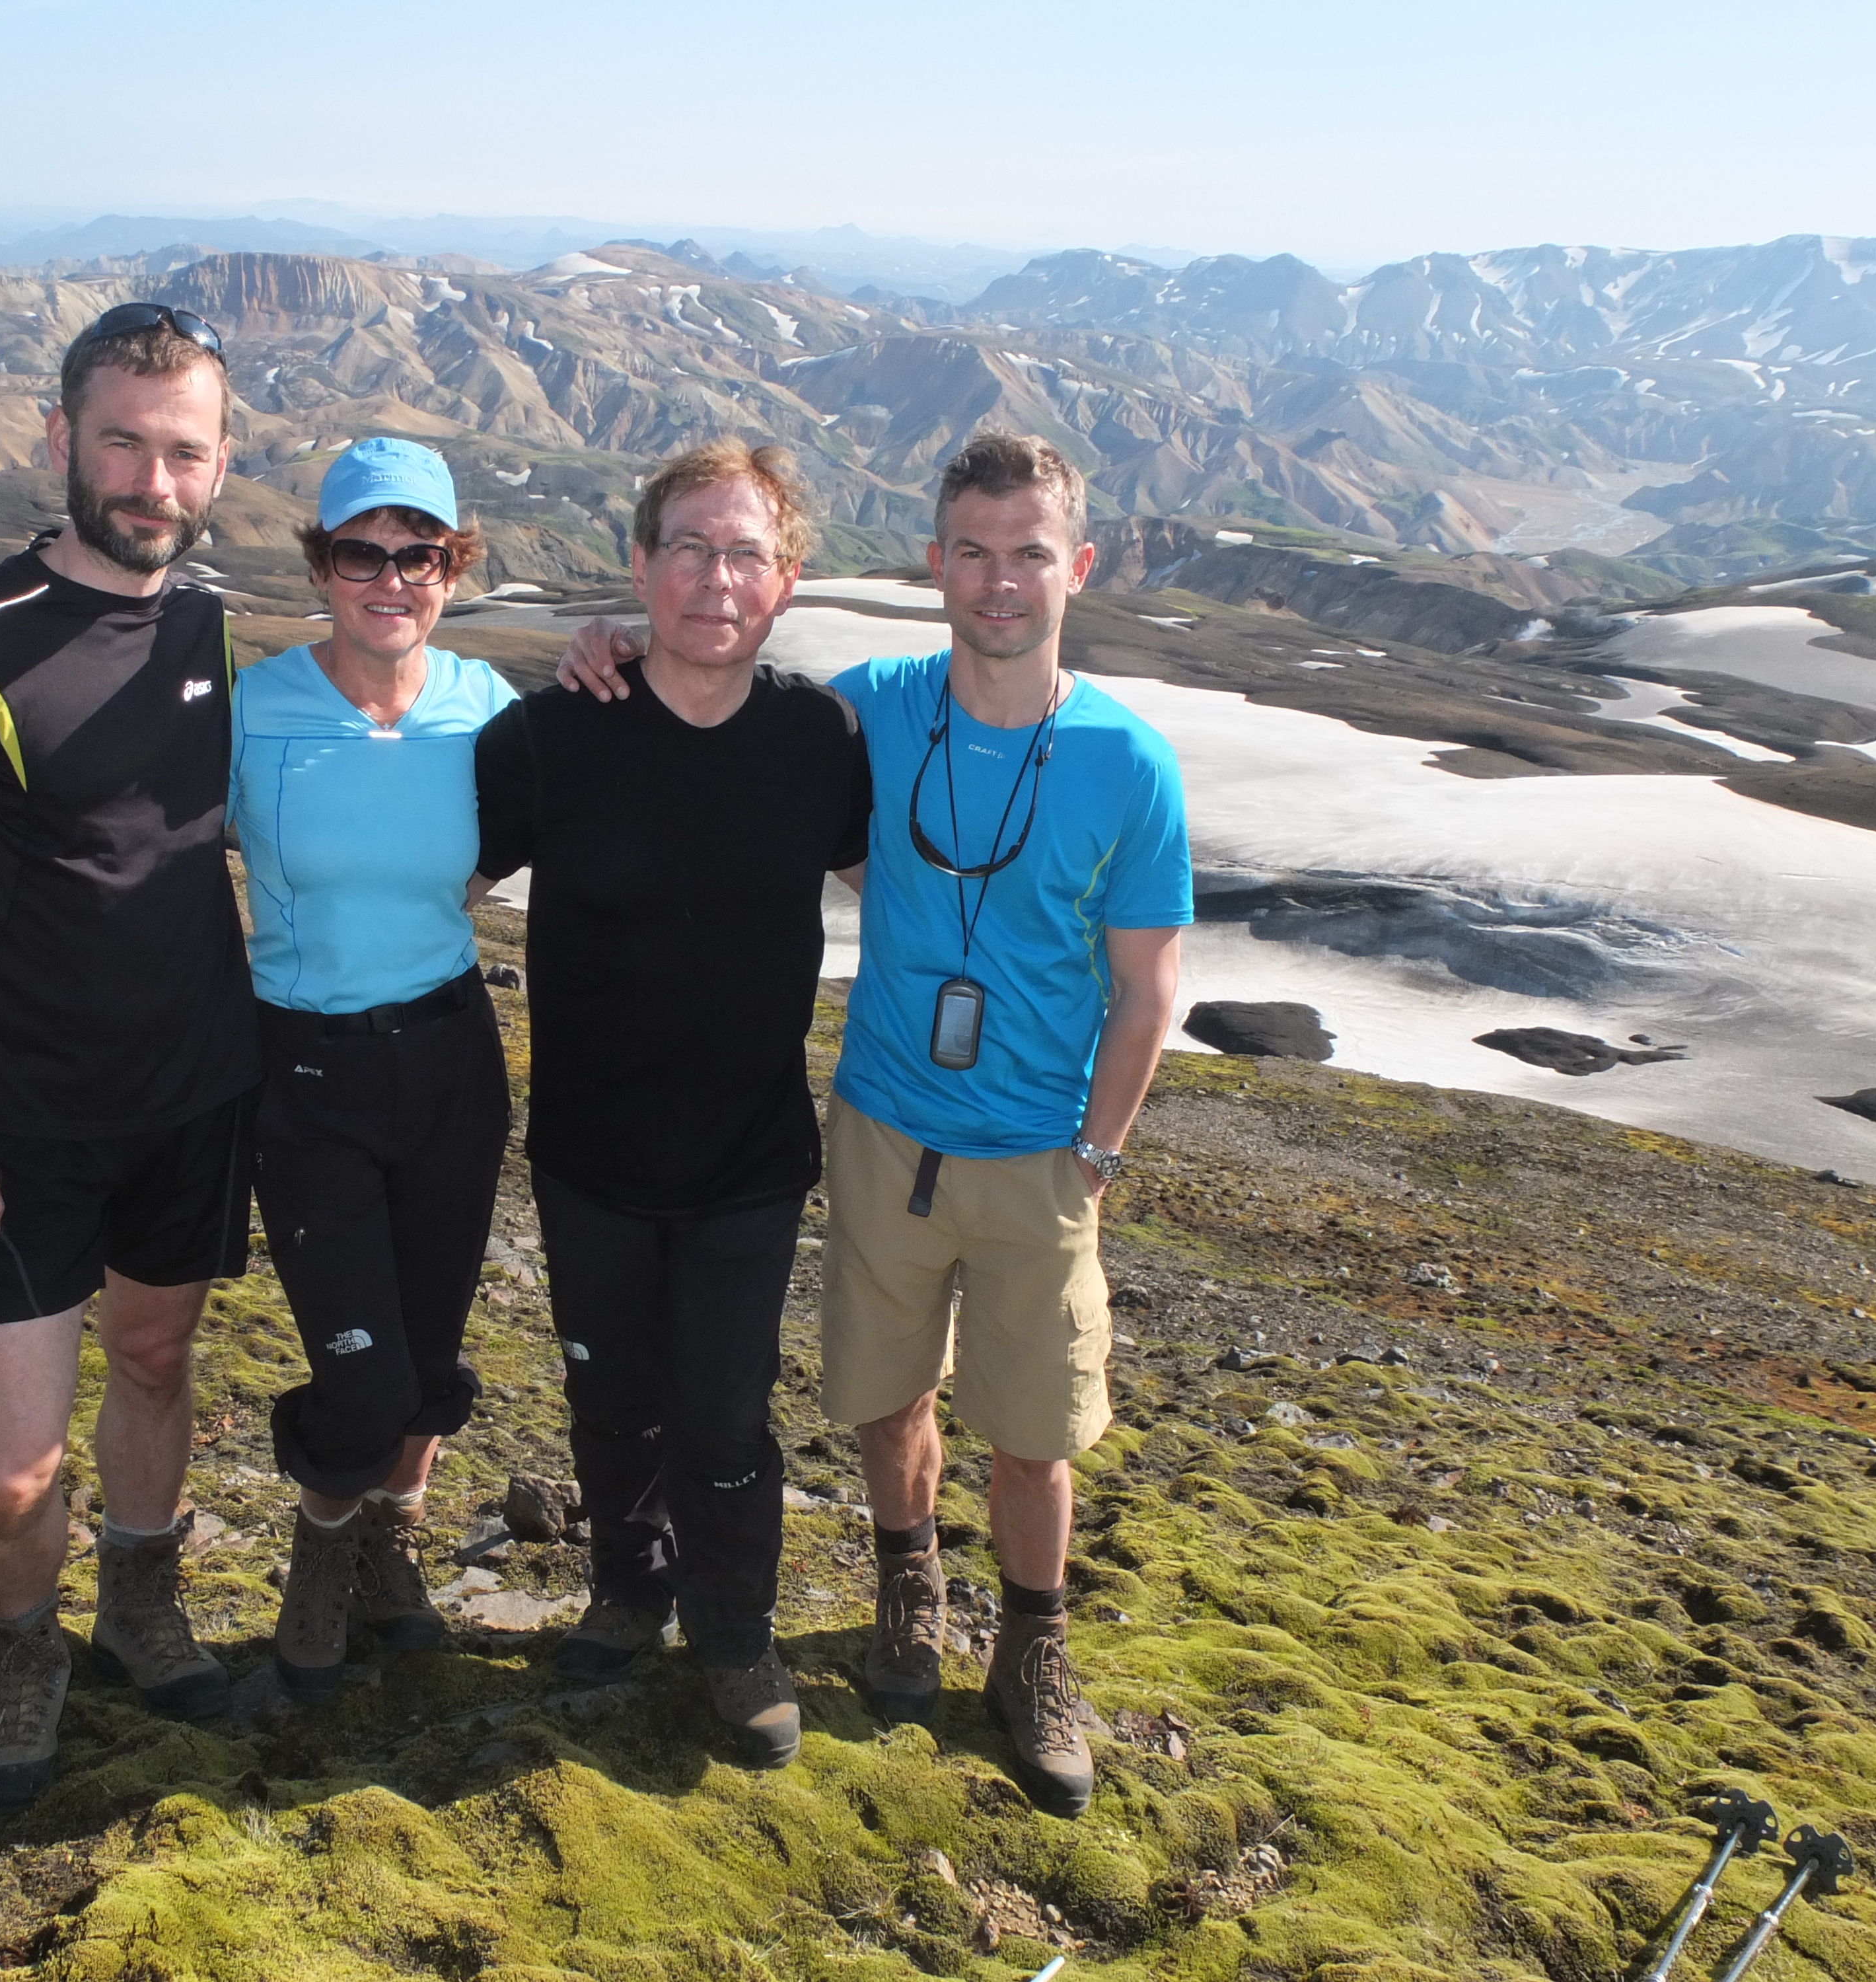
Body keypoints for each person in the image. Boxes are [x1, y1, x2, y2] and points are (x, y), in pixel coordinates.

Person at [558, 431, 1189, 1821]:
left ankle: (1031, 1653)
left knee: (1032, 1430)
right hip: (883, 1133)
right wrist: (600, 650)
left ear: (1073, 566)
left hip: (1037, 1154)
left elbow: (1147, 989)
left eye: (1027, 552)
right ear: (935, 564)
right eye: (970, 550)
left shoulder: (1126, 763)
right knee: (886, 1391)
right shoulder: (867, 714)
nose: (997, 581)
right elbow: (712, 691)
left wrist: (1095, 1155)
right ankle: (910, 1588)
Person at [0, 302, 254, 1808]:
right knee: (13, 1468)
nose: (153, 480)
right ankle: (18, 1647)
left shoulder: (212, 624)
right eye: (123, 444)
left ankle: (141, 1602)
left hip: (200, 1092)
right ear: (60, 443)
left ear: (220, 464)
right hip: (21, 1120)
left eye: (183, 451)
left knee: (157, 1358)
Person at [473, 438, 872, 1769]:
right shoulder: (550, 736)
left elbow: (909, 892)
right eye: (688, 549)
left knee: (720, 1411)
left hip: (747, 1162)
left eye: (744, 552)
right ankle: (628, 1589)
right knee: (609, 1401)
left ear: (787, 578)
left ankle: (734, 1630)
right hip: (589, 1153)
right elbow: (425, 881)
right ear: (640, 567)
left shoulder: (819, 740)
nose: (715, 578)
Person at [231, 438, 518, 1695]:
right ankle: (320, 1546)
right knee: (365, 1369)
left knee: (430, 1346)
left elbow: (540, 824)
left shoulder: (488, 704)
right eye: (363, 553)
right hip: (302, 1071)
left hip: (452, 1058)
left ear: (452, 568)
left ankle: (388, 1550)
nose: (390, 579)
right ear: (322, 564)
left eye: (421, 555)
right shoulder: (254, 711)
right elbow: (129, 836)